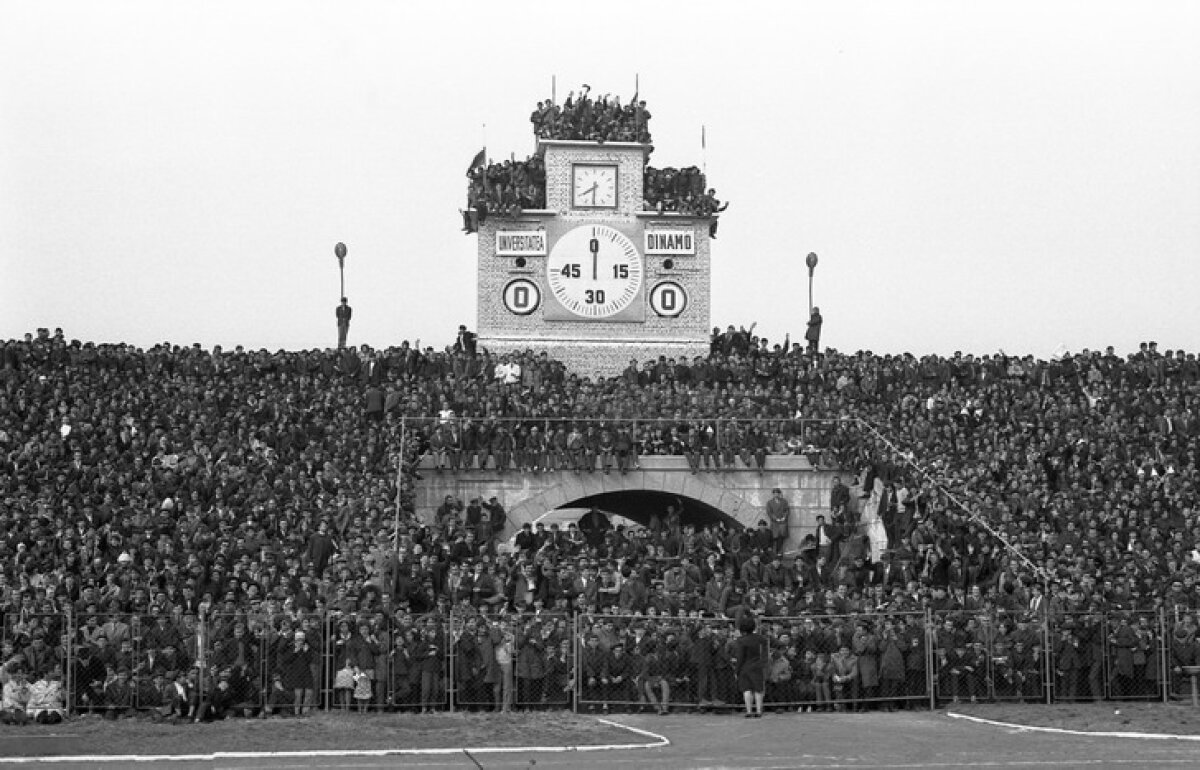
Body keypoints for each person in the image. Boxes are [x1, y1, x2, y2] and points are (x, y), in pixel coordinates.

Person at [731, 614, 767, 718]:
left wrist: (737, 670)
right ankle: (759, 710)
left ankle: (749, 711)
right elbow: (765, 654)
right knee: (758, 689)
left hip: (745, 667)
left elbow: (740, 657)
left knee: (746, 689)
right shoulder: (761, 639)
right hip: (758, 666)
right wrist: (763, 664)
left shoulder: (741, 640)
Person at [766, 488, 791, 555]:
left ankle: (779, 553)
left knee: (781, 538)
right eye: (774, 493)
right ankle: (773, 554)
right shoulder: (769, 502)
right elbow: (769, 512)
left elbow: (787, 510)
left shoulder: (784, 501)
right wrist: (775, 518)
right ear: (773, 494)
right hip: (774, 523)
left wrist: (784, 517)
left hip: (783, 523)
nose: (776, 494)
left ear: (779, 494)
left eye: (777, 493)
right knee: (774, 538)